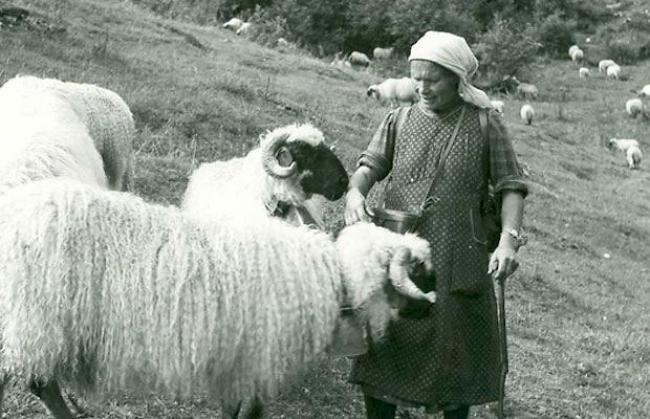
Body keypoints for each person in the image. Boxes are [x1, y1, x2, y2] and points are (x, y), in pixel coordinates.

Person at [344, 31, 528, 419]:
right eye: (417, 78)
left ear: (457, 79)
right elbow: (369, 166)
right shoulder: (399, 118)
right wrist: (355, 193)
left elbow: (511, 186)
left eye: (434, 79)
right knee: (388, 340)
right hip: (399, 251)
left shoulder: (484, 124)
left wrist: (508, 241)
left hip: (457, 252)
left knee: (453, 351)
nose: (423, 88)